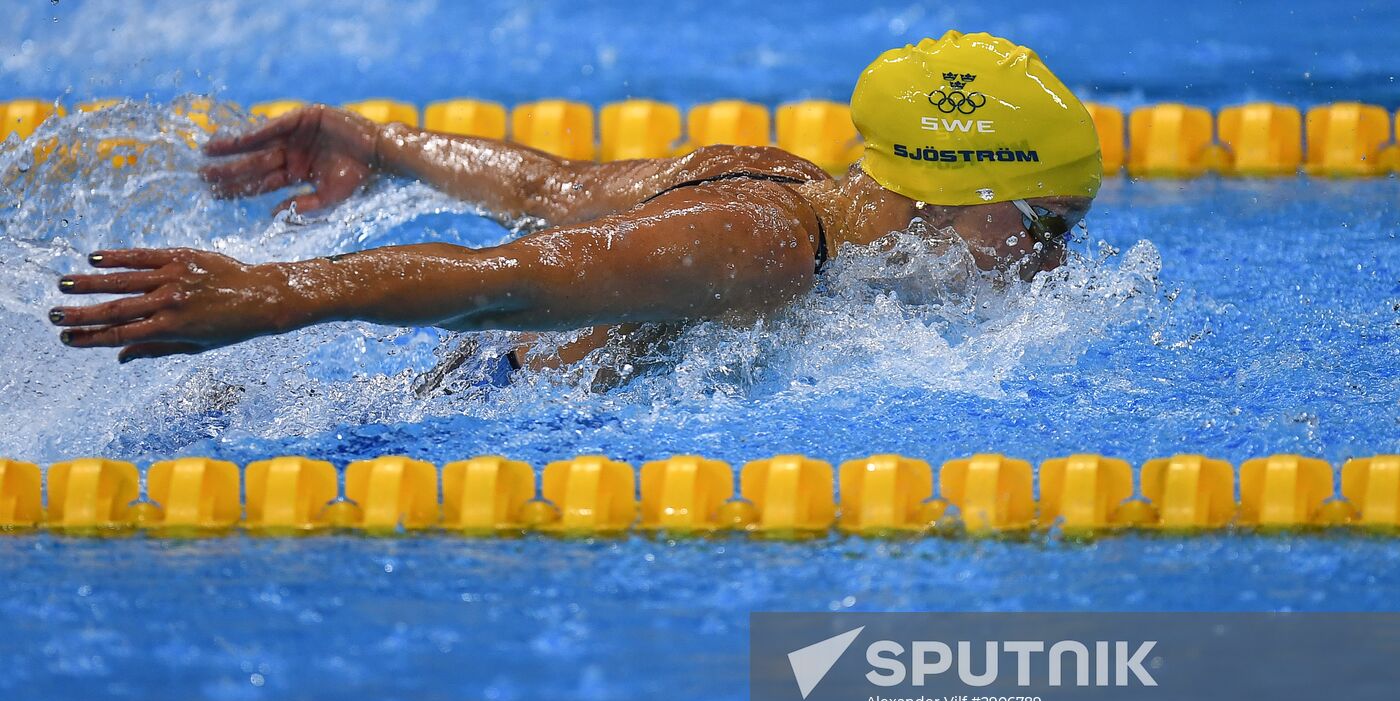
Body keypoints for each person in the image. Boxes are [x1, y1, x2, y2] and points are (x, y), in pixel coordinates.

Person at [49, 31, 1102, 369]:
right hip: (475, 404)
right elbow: (500, 277)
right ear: (944, 191)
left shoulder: (776, 176)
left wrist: (380, 144)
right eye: (1045, 222)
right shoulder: (763, 240)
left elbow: (544, 188)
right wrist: (272, 294)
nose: (1050, 261)